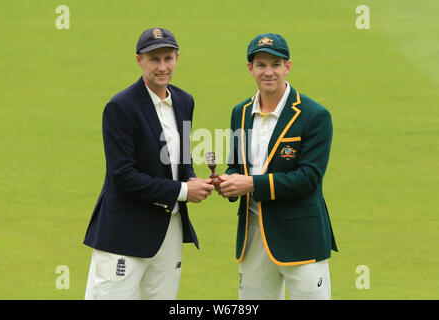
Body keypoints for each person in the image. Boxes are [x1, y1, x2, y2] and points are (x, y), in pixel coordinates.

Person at [83, 28, 214, 300]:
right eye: (154, 59)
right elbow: (123, 176)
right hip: (124, 233)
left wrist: (190, 179)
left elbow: (182, 161)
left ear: (177, 58)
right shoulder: (120, 107)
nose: (162, 66)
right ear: (139, 60)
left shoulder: (184, 101)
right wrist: (183, 191)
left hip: (170, 230)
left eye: (168, 58)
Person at [217, 33, 338, 300]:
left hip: (301, 240)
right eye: (261, 65)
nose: (268, 72)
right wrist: (228, 183)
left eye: (275, 64)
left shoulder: (314, 115)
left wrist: (249, 184)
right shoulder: (240, 112)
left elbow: (309, 178)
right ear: (250, 68)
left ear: (288, 66)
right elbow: (237, 166)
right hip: (253, 238)